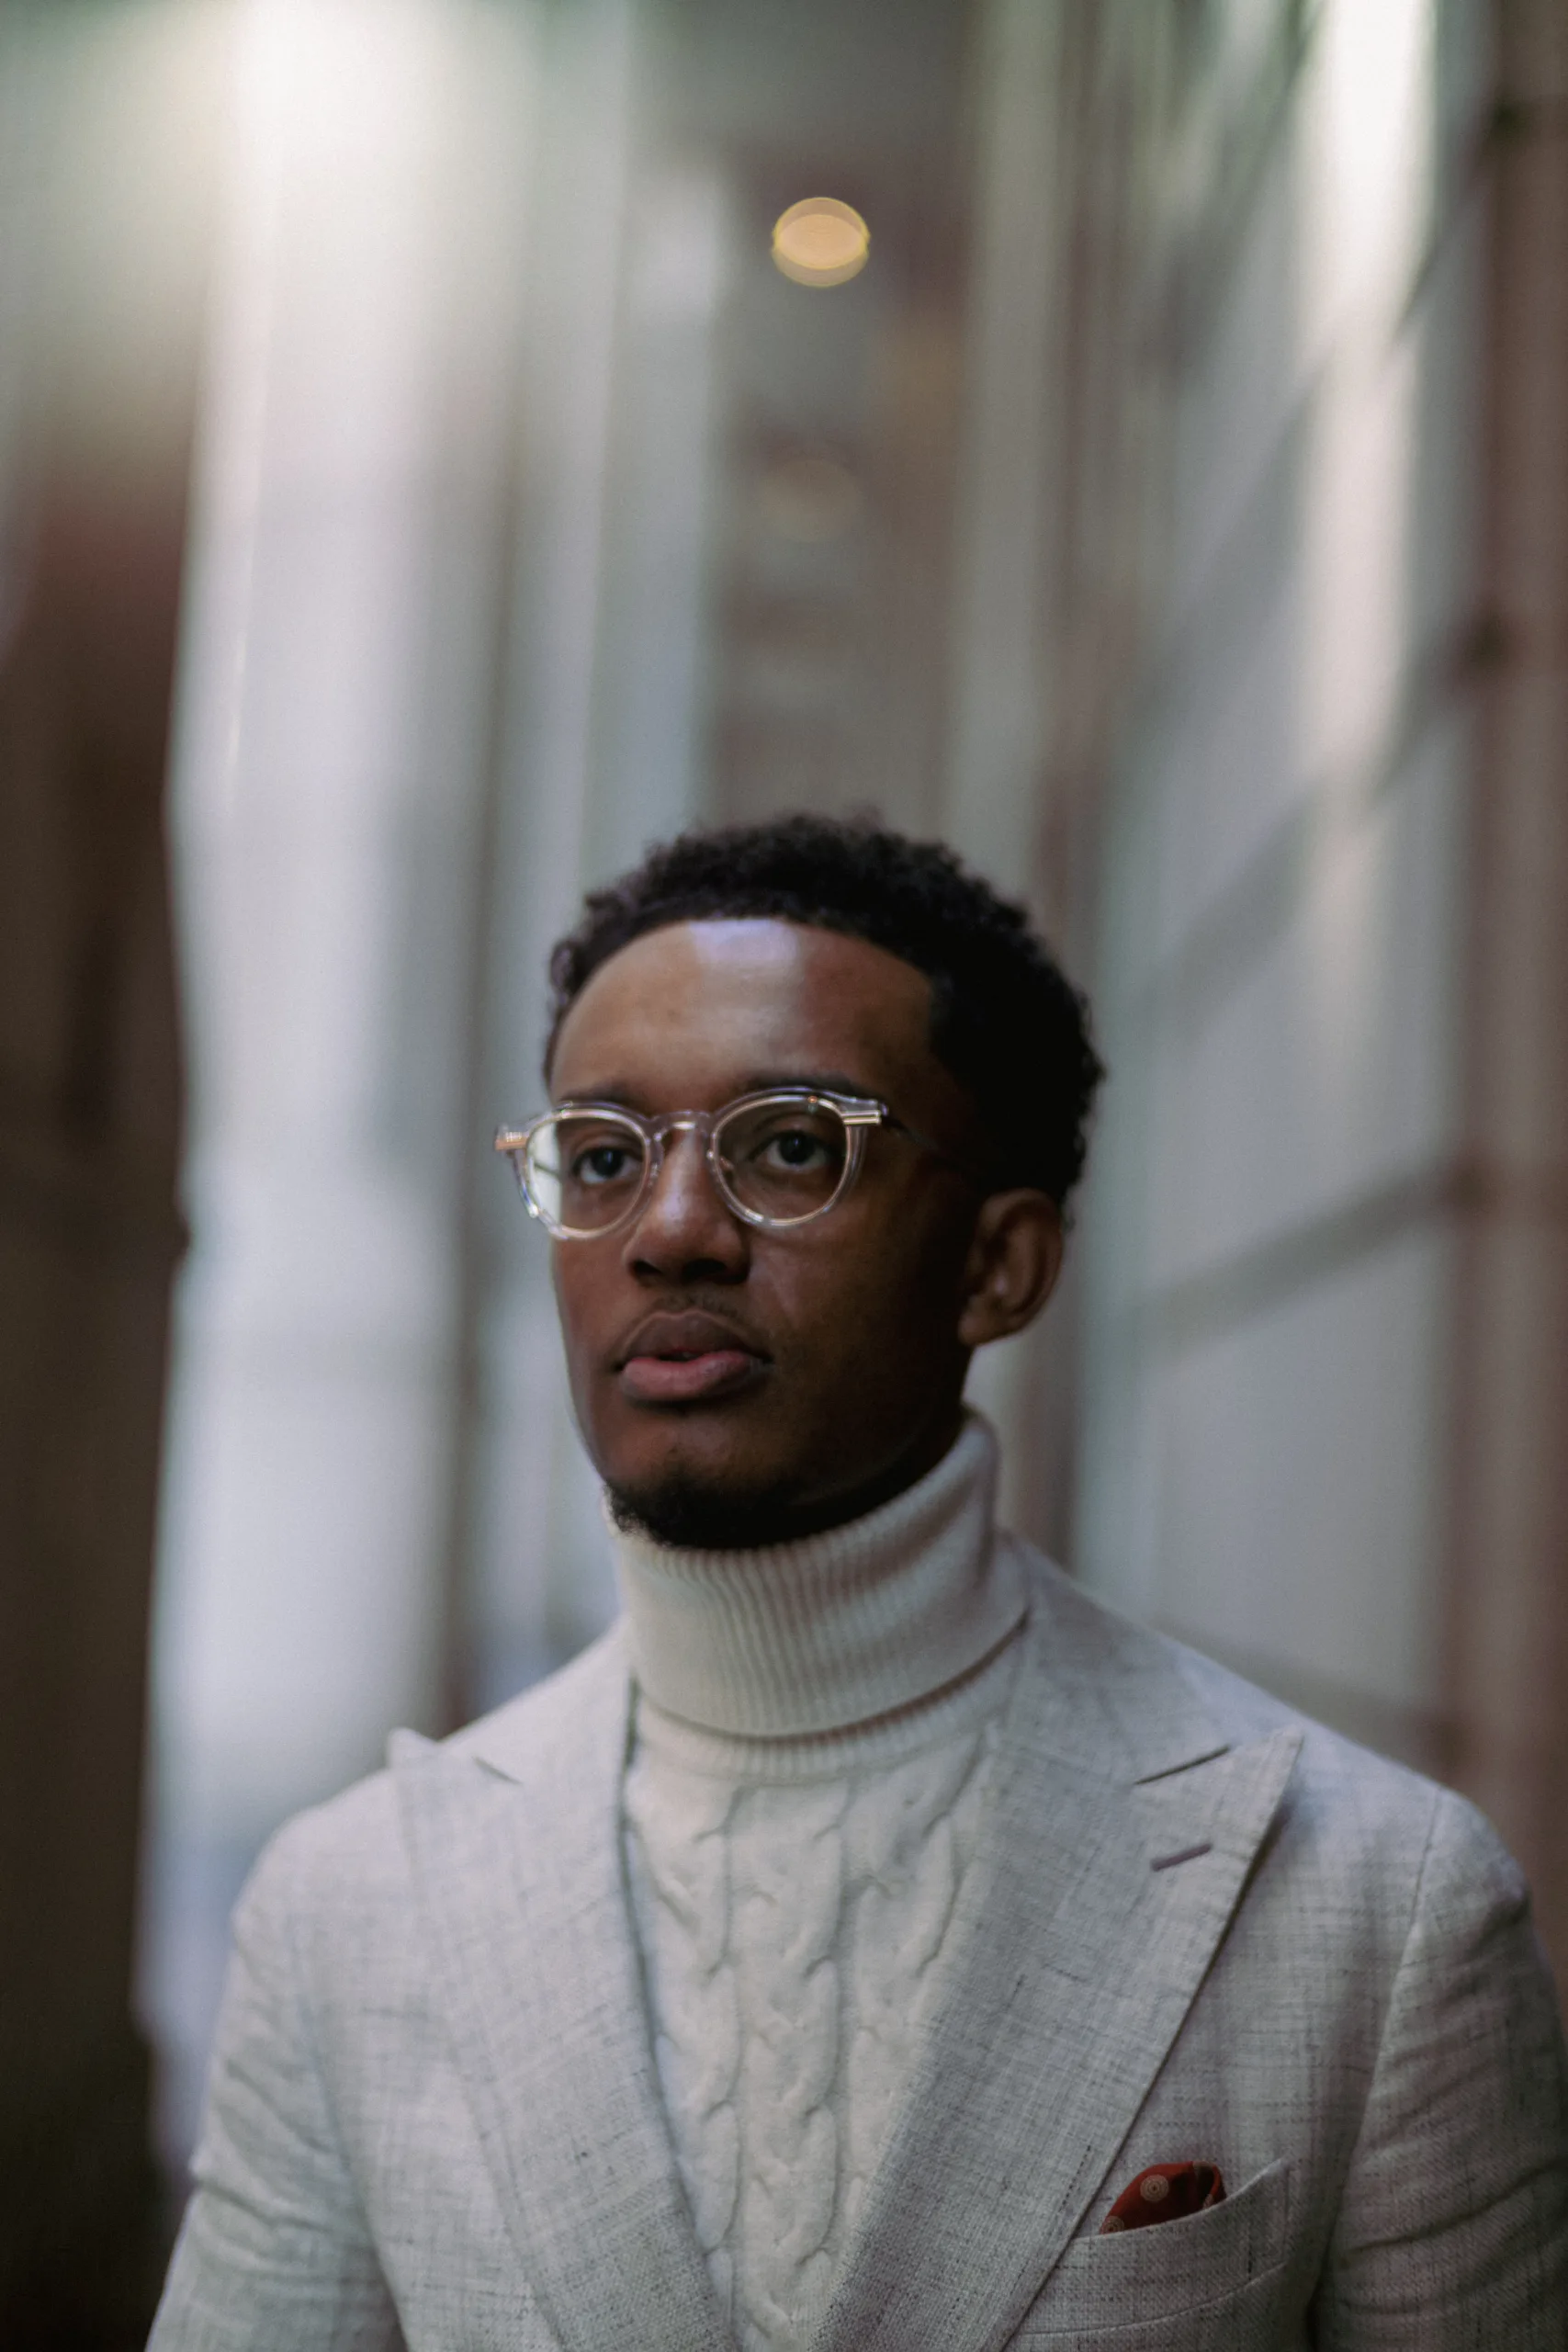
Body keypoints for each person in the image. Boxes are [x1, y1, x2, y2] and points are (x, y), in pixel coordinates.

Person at [151, 816, 1568, 2351]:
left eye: (787, 1145)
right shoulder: (352, 1908)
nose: (672, 1232)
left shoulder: (1373, 1904)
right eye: (605, 1157)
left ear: (995, 1266)